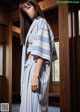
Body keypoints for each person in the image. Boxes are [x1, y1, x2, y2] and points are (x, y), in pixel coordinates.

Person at [19, 0, 57, 112]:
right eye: (24, 11)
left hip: (35, 67)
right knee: (27, 104)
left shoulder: (41, 22)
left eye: (28, 7)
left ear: (35, 6)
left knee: (34, 105)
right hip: (29, 68)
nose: (27, 12)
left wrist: (35, 75)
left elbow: (42, 50)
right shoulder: (33, 25)